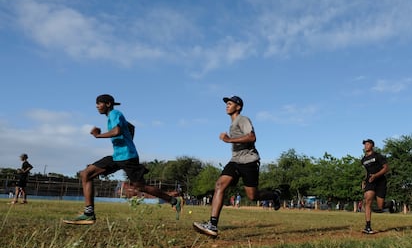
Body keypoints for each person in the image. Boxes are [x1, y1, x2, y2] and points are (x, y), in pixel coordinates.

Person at [63, 94, 182, 224]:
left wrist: (98, 135)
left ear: (108, 104)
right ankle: (89, 213)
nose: (97, 106)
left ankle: (173, 200)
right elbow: (130, 127)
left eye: (99, 103)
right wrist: (129, 140)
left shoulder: (115, 113)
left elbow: (117, 131)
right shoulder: (113, 116)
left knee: (141, 187)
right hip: (118, 156)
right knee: (86, 174)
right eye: (96, 104)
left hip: (128, 157)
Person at [193, 95, 281, 237]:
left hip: (249, 161)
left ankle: (274, 195)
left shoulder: (243, 119)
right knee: (220, 185)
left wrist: (229, 140)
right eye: (226, 104)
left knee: (253, 196)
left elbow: (252, 137)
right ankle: (212, 225)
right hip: (235, 161)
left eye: (230, 103)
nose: (227, 105)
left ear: (238, 107)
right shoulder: (233, 124)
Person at [360, 139, 396, 234]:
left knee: (380, 206)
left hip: (380, 181)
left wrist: (376, 175)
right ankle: (368, 227)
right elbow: (366, 171)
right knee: (368, 200)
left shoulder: (378, 156)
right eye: (365, 144)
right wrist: (364, 180)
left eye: (368, 144)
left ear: (372, 145)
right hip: (370, 181)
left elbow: (386, 168)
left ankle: (390, 204)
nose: (365, 146)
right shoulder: (363, 159)